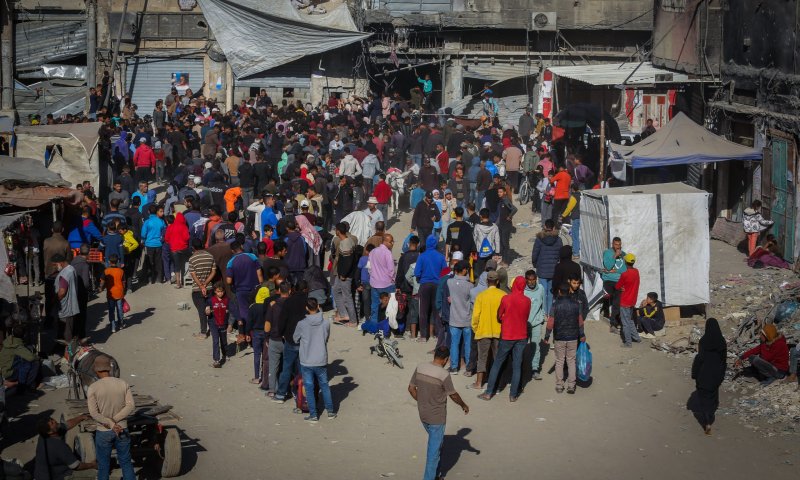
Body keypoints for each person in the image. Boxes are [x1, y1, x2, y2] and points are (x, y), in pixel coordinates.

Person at [408, 346, 469, 480]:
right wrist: (463, 405)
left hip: (423, 414)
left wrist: (422, 401)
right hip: (437, 418)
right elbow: (453, 395)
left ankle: (437, 475)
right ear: (446, 360)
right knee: (433, 454)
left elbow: (411, 389)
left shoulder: (420, 367)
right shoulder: (444, 374)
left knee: (437, 445)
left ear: (435, 355)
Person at [478, 276, 531, 401]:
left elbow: (499, 315)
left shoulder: (506, 298)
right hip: (521, 336)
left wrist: (505, 319)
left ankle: (489, 392)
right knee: (517, 365)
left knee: (497, 363)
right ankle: (513, 395)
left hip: (508, 335)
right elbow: (526, 316)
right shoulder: (527, 300)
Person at [87, 356, 136, 480]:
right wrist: (116, 419)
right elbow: (131, 405)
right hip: (122, 429)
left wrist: (110, 422)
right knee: (126, 462)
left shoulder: (93, 387)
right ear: (109, 368)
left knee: (103, 465)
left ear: (96, 370)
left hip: (104, 432)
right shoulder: (122, 383)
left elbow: (94, 413)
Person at [293, 298, 336, 421]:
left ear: (306, 308)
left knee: (309, 387)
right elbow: (326, 337)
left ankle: (313, 414)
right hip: (321, 358)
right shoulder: (326, 322)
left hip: (306, 360)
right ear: (318, 306)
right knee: (324, 385)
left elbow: (295, 338)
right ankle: (330, 411)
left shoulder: (301, 324)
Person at [688, 318, 727, 435]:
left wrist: (694, 375)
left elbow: (699, 359)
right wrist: (721, 374)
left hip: (703, 374)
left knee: (703, 396)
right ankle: (710, 415)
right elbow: (723, 360)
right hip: (716, 374)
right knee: (713, 395)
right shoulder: (721, 341)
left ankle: (706, 419)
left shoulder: (703, 341)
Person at [545, 284, 585, 394]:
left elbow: (550, 322)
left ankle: (559, 385)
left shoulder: (555, 305)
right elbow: (580, 322)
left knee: (559, 361)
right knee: (571, 361)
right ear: (569, 291)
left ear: (559, 291)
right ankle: (571, 385)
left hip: (559, 337)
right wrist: (582, 335)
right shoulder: (576, 304)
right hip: (573, 337)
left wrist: (547, 336)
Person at [468, 270, 505, 390]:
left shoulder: (481, 296)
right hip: (498, 331)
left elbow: (475, 315)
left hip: (483, 331)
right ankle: (497, 384)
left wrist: (475, 328)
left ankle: (479, 383)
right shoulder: (503, 295)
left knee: (482, 358)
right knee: (497, 358)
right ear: (498, 281)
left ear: (487, 281)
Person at [34, 414, 96, 480]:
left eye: (52, 419)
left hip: (40, 474)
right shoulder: (58, 446)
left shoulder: (43, 436)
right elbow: (76, 466)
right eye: (52, 423)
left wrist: (80, 417)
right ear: (49, 432)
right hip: (58, 476)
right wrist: (92, 465)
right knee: (95, 473)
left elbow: (66, 425)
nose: (54, 421)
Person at [415, 234, 447, 342]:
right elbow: (445, 272)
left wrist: (420, 279)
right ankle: (438, 334)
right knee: (437, 310)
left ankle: (424, 336)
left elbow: (416, 272)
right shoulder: (441, 256)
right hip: (437, 285)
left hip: (424, 284)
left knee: (423, 310)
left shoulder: (422, 256)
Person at [446, 261, 473, 374]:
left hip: (454, 319)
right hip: (467, 319)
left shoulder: (449, 282)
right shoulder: (470, 285)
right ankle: (468, 367)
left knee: (454, 344)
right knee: (468, 344)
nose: (467, 271)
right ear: (463, 270)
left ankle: (454, 367)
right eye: (466, 269)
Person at [531, 219, 562, 313]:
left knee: (542, 293)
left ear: (545, 227)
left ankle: (544, 312)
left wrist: (535, 264)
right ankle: (550, 312)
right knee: (551, 292)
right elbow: (560, 255)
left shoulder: (539, 239)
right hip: (553, 270)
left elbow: (535, 254)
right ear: (553, 228)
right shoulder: (558, 240)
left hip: (542, 270)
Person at [188, 238, 217, 339]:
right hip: (209, 287)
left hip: (197, 289)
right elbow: (213, 272)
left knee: (201, 310)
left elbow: (193, 274)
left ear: (193, 247)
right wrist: (205, 283)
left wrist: (200, 285)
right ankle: (214, 329)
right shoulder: (210, 256)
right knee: (209, 309)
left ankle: (203, 332)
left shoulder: (192, 258)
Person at [0, 325, 40, 394]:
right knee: (33, 363)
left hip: (3, 370)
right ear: (24, 335)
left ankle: (19, 384)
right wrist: (39, 357)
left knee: (23, 361)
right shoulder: (17, 346)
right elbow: (31, 358)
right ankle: (23, 386)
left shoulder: (8, 341)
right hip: (8, 373)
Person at [524, 270, 546, 379]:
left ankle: (535, 368)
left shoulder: (541, 288)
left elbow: (543, 303)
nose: (531, 282)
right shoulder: (522, 290)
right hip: (524, 324)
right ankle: (521, 367)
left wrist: (542, 316)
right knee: (522, 346)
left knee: (536, 347)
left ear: (536, 279)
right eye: (529, 280)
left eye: (533, 280)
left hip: (537, 323)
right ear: (526, 280)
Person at [368, 234, 396, 324]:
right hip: (386, 284)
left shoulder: (373, 251)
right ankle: (385, 325)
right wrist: (393, 280)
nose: (392, 243)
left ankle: (374, 324)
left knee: (375, 304)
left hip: (374, 283)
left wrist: (373, 277)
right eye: (391, 241)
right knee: (389, 306)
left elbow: (369, 268)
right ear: (385, 241)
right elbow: (391, 269)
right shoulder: (387, 253)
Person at [615, 253, 641, 347]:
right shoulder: (636, 272)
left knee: (625, 323)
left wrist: (622, 287)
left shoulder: (624, 274)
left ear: (625, 262)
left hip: (625, 301)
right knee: (630, 320)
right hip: (632, 301)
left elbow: (617, 286)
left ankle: (628, 342)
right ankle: (637, 338)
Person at [601, 237, 626, 332]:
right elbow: (607, 266)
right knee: (607, 296)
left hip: (619, 281)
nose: (618, 246)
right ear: (612, 244)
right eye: (616, 244)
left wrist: (613, 270)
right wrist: (615, 256)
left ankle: (613, 324)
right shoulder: (607, 253)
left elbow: (624, 269)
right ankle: (605, 310)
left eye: (619, 244)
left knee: (617, 303)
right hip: (608, 280)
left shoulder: (624, 254)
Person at [53, 254, 80, 341]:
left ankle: (68, 351)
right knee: (69, 329)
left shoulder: (65, 274)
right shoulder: (71, 269)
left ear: (60, 263)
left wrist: (56, 300)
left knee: (66, 331)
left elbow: (62, 292)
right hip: (72, 305)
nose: (54, 267)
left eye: (55, 265)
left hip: (66, 308)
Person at [205, 283, 231, 368]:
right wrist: (207, 311)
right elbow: (206, 309)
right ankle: (216, 360)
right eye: (218, 292)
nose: (220, 293)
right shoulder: (210, 300)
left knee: (223, 341)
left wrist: (230, 323)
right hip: (213, 323)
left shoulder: (227, 300)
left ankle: (225, 354)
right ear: (215, 292)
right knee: (215, 340)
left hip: (223, 323)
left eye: (221, 291)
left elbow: (232, 311)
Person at [99, 254, 126, 333]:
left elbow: (102, 282)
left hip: (110, 294)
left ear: (109, 262)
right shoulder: (121, 271)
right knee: (120, 309)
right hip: (119, 293)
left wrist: (100, 288)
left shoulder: (106, 271)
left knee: (111, 310)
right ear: (117, 261)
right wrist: (123, 290)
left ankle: (113, 327)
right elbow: (124, 282)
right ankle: (121, 324)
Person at [472, 208, 500, 275]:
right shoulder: (495, 226)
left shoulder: (477, 226)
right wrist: (497, 252)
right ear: (489, 216)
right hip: (491, 252)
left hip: (480, 252)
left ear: (480, 216)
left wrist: (473, 251)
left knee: (480, 271)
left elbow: (474, 239)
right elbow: (497, 240)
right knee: (490, 271)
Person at [495, 185, 517, 265]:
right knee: (502, 243)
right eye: (498, 192)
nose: (499, 193)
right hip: (501, 225)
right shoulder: (501, 201)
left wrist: (509, 216)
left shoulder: (506, 200)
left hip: (506, 226)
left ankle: (507, 261)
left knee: (505, 243)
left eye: (500, 192)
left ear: (504, 192)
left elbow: (514, 209)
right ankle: (503, 260)